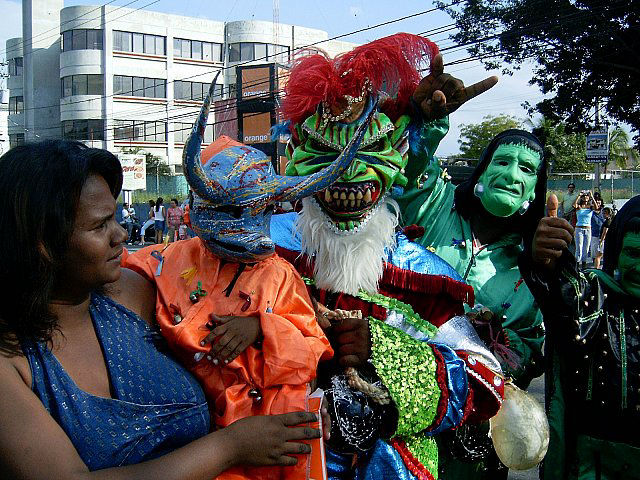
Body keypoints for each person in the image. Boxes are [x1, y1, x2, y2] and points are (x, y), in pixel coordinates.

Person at [0, 140, 322, 480]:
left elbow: (250, 358)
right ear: (43, 244)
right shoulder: (11, 365)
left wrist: (292, 407)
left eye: (115, 219)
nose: (121, 234)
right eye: (100, 226)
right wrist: (229, 448)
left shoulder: (134, 292)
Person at [271, 34, 506, 480]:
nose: (347, 172)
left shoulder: (422, 274)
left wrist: (384, 350)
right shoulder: (265, 251)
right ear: (292, 155)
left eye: (366, 153)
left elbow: (486, 378)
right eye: (326, 153)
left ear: (397, 152)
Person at [125, 82, 370, 480]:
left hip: (271, 435)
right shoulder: (170, 257)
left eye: (260, 209)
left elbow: (314, 346)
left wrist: (261, 326)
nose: (250, 230)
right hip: (193, 430)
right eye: (234, 211)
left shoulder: (278, 273)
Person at [396, 128, 547, 478]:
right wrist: (429, 123)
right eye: (503, 161)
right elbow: (409, 168)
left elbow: (534, 348)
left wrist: (502, 348)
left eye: (526, 169)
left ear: (535, 190)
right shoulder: (436, 206)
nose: (511, 175)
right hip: (400, 406)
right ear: (481, 170)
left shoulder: (533, 259)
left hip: (474, 430)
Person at [520, 195, 640, 480]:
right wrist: (546, 259)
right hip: (592, 466)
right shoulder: (598, 297)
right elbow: (564, 296)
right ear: (616, 252)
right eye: (634, 253)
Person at [573, 191, 595, 269]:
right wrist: (579, 195)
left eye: (587, 196)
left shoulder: (590, 207)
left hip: (588, 229)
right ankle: (576, 265)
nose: (585, 197)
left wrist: (592, 196)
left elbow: (596, 207)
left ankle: (584, 266)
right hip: (579, 228)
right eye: (584, 196)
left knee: (586, 248)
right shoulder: (579, 207)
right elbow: (574, 205)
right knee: (579, 248)